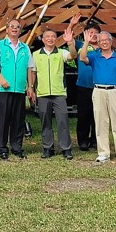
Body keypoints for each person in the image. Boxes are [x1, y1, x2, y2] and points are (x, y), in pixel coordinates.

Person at [0, 17, 35, 160]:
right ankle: (2, 148)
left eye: (17, 27)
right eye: (12, 26)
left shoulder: (25, 47)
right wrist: (1, 79)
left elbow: (30, 68)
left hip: (20, 89)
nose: (15, 29)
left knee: (18, 119)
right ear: (7, 29)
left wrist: (30, 86)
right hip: (5, 88)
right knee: (3, 119)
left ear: (20, 30)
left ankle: (17, 147)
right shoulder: (0, 45)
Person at [31, 23, 78, 160]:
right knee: (45, 122)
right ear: (43, 39)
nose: (50, 39)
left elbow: (73, 56)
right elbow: (33, 73)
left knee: (63, 121)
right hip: (43, 93)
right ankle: (47, 148)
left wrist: (70, 43)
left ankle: (66, 149)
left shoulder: (61, 52)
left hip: (59, 93)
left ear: (56, 39)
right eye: (47, 37)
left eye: (53, 37)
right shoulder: (35, 55)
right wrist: (31, 88)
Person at [82, 31, 116, 162]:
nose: (104, 42)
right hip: (99, 91)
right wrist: (86, 42)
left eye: (106, 40)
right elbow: (82, 58)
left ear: (111, 41)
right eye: (101, 40)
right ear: (98, 43)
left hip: (115, 91)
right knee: (100, 122)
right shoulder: (94, 56)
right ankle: (103, 153)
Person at [74, 21, 100, 152]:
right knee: (84, 115)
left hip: (100, 87)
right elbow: (68, 38)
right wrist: (72, 24)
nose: (94, 35)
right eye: (91, 32)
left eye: (96, 33)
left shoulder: (104, 47)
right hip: (84, 86)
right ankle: (83, 141)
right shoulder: (80, 45)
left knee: (98, 116)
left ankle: (95, 141)